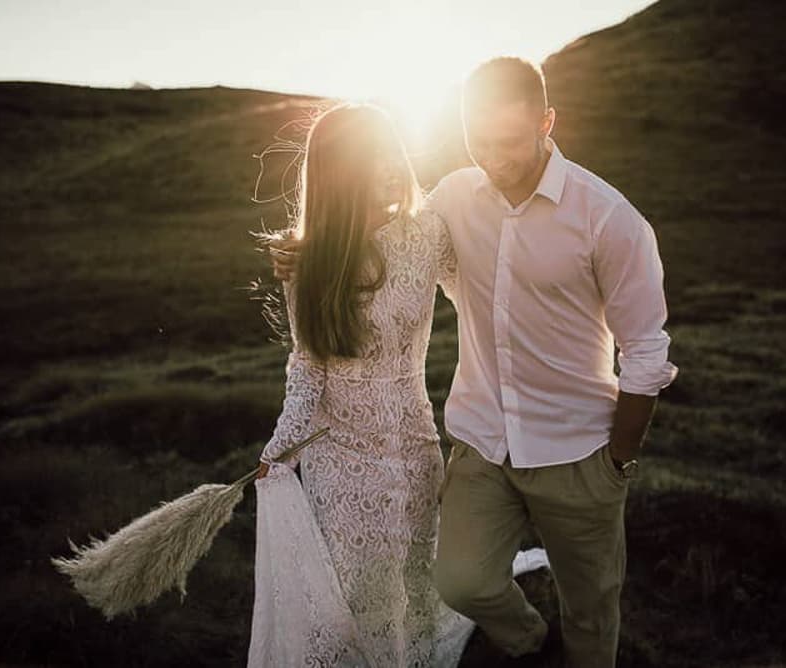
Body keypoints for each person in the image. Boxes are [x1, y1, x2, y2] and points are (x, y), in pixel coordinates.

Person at [271, 57, 678, 668]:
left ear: (547, 122)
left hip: (578, 451)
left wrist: (618, 457)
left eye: (509, 141)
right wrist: (305, 252)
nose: (492, 156)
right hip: (483, 444)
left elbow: (646, 350)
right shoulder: (455, 198)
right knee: (460, 582)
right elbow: (386, 239)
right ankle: (530, 646)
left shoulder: (609, 219)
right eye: (477, 139)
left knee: (592, 611)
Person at [249, 102, 472, 667]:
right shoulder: (310, 262)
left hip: (416, 454)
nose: (391, 169)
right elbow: (307, 367)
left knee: (415, 592)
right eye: (372, 161)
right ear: (340, 174)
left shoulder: (427, 235)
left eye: (392, 153)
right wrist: (279, 449)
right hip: (341, 463)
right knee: (356, 602)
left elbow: (481, 295)